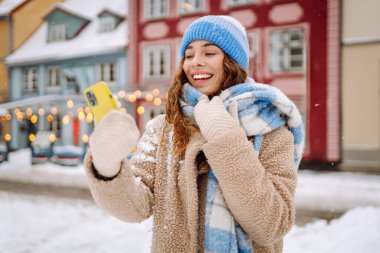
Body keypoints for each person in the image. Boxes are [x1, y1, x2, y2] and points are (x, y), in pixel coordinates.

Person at [85, 15, 304, 253]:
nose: (195, 62)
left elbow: (271, 226)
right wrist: (108, 169)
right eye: (189, 55)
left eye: (209, 53)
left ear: (233, 62)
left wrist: (226, 140)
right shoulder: (164, 128)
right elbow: (137, 206)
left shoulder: (271, 129)